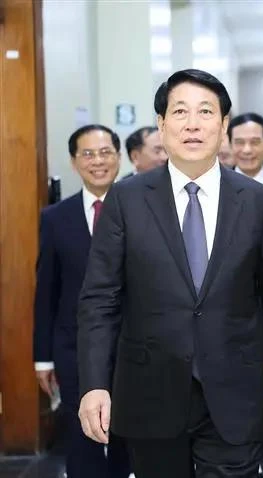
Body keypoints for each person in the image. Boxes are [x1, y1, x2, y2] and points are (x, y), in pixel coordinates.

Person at [76, 69, 263, 478]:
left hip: (235, 392)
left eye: (205, 112)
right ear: (162, 125)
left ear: (224, 125)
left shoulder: (259, 202)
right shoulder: (127, 199)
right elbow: (99, 300)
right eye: (180, 112)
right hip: (150, 391)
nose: (193, 124)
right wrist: (94, 384)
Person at [34, 124, 131, 478]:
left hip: (131, 347)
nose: (98, 161)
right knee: (82, 437)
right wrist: (42, 358)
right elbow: (46, 290)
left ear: (118, 158)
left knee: (125, 436)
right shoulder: (55, 218)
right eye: (88, 154)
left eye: (106, 152)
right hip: (73, 347)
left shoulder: (141, 208)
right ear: (74, 162)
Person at [227, 111, 263, 477]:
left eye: (254, 142)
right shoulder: (211, 190)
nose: (247, 150)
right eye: (239, 142)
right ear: (228, 145)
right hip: (225, 331)